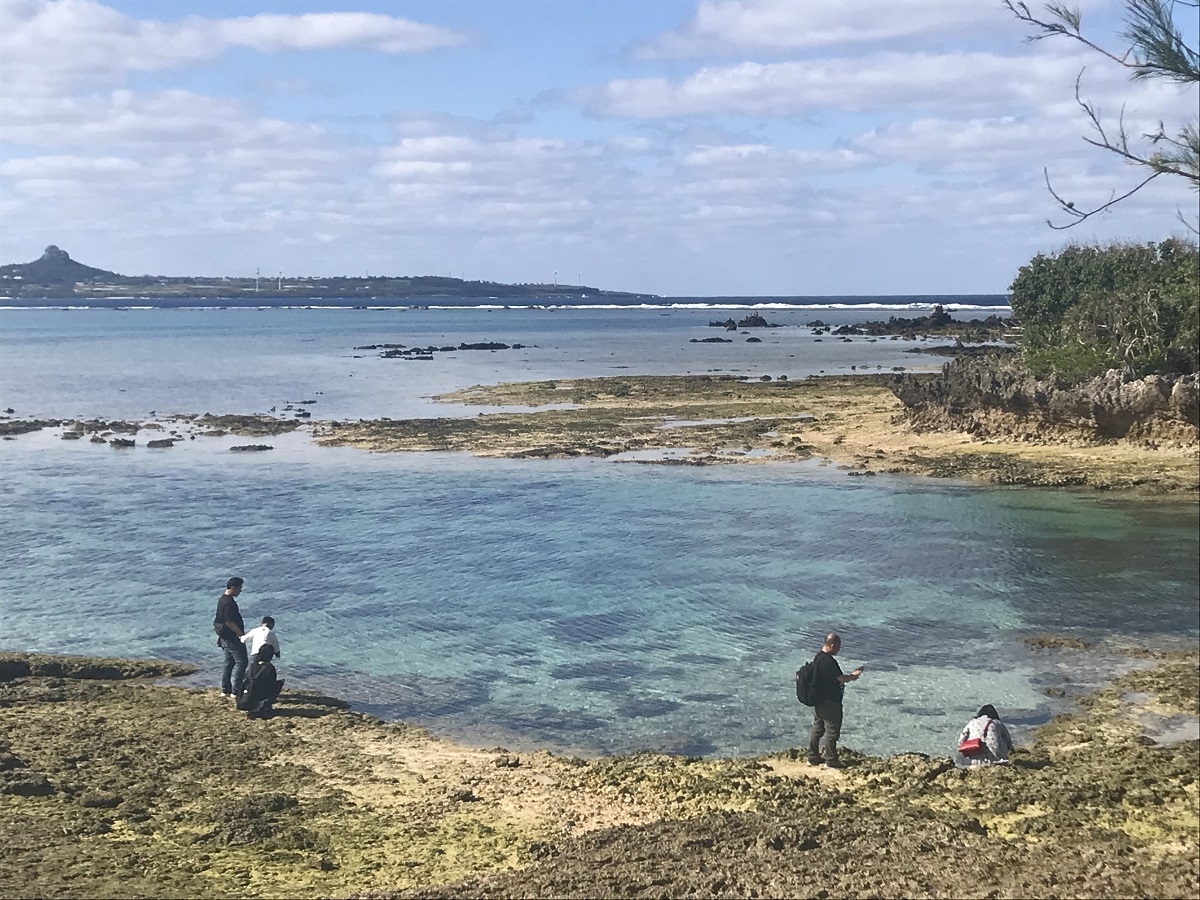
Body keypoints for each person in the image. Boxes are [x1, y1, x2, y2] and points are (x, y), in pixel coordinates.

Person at [806, 632, 864, 769]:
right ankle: (831, 760)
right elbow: (841, 678)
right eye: (838, 646)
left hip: (818, 701)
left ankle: (813, 757)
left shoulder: (818, 658)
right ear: (832, 644)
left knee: (817, 729)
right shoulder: (829, 661)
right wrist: (853, 676)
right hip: (830, 702)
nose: (839, 649)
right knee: (832, 731)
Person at [213, 576, 248, 699]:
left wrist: (219, 636)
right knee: (242, 662)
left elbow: (219, 619)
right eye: (239, 588)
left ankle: (225, 689)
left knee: (229, 662)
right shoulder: (229, 603)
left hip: (224, 636)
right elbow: (229, 622)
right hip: (232, 637)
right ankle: (236, 690)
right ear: (233, 588)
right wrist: (240, 634)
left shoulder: (222, 600)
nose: (240, 591)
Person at [237, 644, 284, 717]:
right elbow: (271, 685)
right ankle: (265, 706)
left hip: (244, 699)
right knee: (279, 684)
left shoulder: (252, 666)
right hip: (257, 699)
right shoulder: (270, 668)